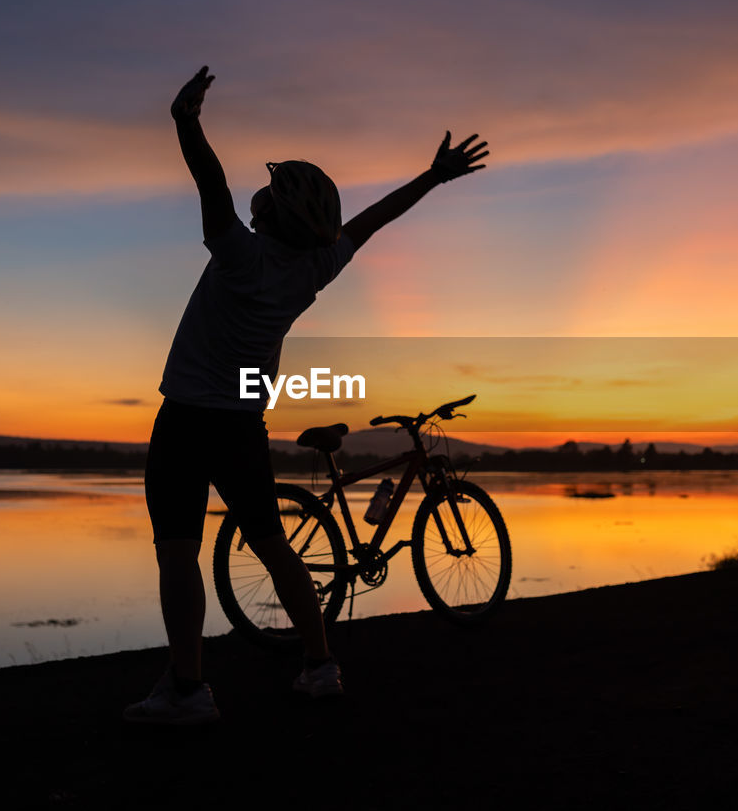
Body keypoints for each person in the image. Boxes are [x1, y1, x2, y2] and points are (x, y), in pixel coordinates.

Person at [124, 66, 489, 725]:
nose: (255, 196)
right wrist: (433, 178)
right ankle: (320, 666)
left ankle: (187, 689)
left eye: (267, 191)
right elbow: (374, 222)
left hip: (187, 422)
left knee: (177, 549)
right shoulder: (315, 269)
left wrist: (186, 121)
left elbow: (211, 182)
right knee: (270, 541)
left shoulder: (241, 257)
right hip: (241, 426)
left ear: (276, 210)